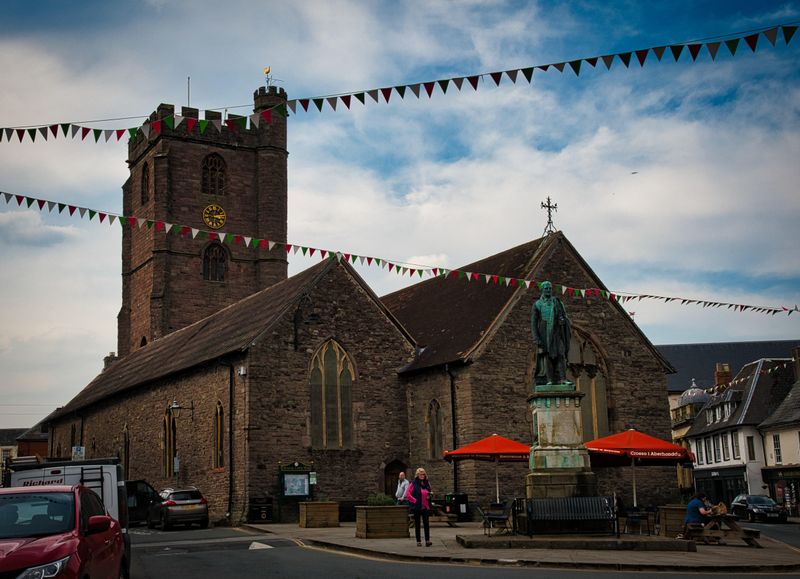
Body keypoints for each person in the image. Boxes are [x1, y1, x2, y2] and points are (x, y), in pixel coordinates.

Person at [530, 280, 572, 385]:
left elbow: (565, 317)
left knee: (561, 354)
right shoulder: (537, 304)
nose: (548, 290)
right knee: (547, 356)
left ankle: (563, 379)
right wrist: (536, 338)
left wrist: (563, 321)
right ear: (542, 290)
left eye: (550, 288)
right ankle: (549, 380)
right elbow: (534, 323)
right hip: (544, 333)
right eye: (546, 288)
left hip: (557, 333)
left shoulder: (558, 302)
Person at [405, 467, 433, 547]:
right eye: (421, 474)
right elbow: (408, 494)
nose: (422, 476)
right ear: (417, 475)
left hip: (426, 506)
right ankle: (418, 541)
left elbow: (430, 491)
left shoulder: (427, 483)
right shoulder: (413, 483)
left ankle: (427, 540)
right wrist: (415, 500)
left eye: (423, 474)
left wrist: (430, 495)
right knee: (417, 524)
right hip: (417, 506)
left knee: (426, 524)